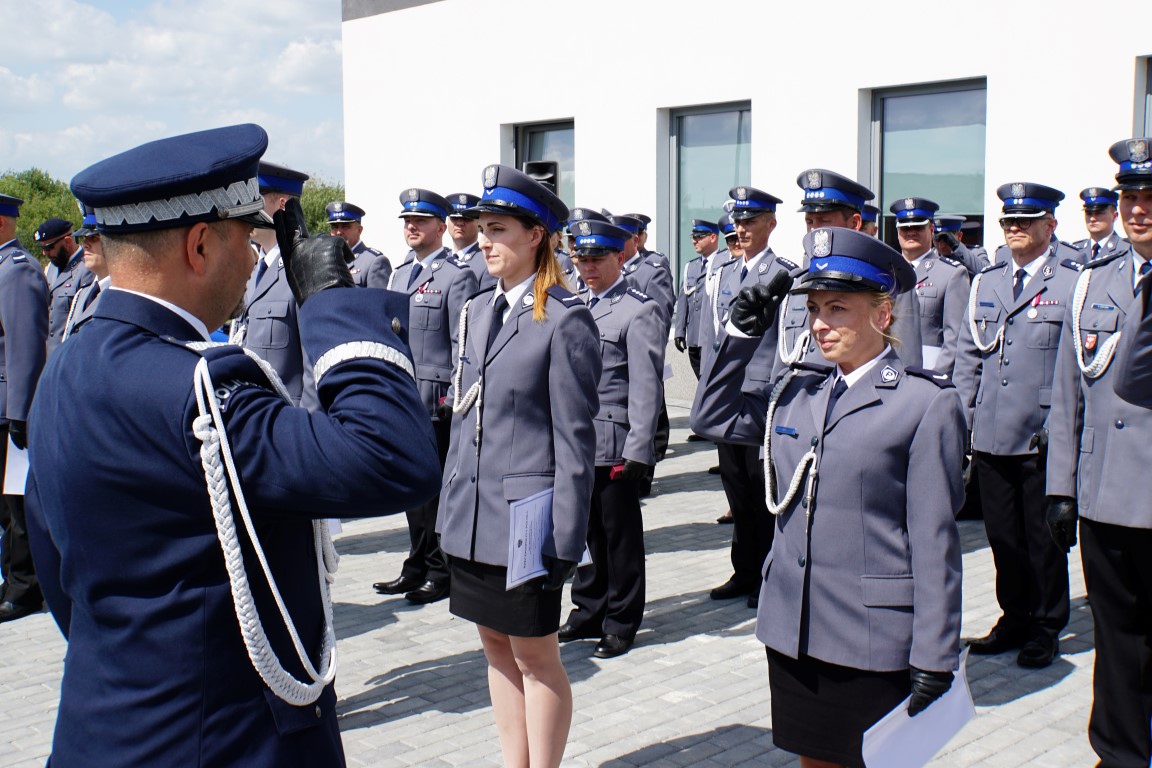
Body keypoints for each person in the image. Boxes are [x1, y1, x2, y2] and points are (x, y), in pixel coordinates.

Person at [23, 123, 442, 766]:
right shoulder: (203, 386)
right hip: (223, 738)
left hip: (106, 725)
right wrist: (331, 304)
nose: (254, 260)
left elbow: (56, 567)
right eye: (247, 238)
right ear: (198, 244)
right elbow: (393, 459)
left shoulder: (68, 365)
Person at [692, 226, 964, 768]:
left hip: (871, 635)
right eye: (814, 307)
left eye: (837, 308)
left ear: (882, 315)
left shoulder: (923, 404)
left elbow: (935, 541)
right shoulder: (796, 392)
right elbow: (711, 417)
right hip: (794, 629)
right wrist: (740, 335)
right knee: (813, 761)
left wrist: (936, 650)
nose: (819, 323)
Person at [437, 164, 599, 768]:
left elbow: (574, 442)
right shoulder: (478, 312)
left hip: (526, 525)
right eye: (481, 228)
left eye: (498, 229)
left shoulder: (562, 319)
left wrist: (565, 536)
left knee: (536, 657)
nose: (484, 241)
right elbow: (465, 422)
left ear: (536, 236)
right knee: (494, 649)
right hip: (474, 519)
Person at [1046, 137, 1152, 768]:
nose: (1137, 210)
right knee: (1116, 641)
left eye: (1149, 199)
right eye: (1130, 198)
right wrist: (1062, 488)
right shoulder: (1094, 284)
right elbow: (1067, 398)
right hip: (1107, 499)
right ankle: (1118, 753)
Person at [951, 182, 1081, 670]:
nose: (1015, 230)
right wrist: (961, 423)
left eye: (1026, 222)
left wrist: (1064, 429)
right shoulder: (987, 281)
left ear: (1050, 225)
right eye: (1008, 223)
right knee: (1003, 538)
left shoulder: (1071, 281)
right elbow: (969, 357)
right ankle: (1013, 617)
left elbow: (1078, 368)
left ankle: (1046, 626)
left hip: (1040, 436)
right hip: (991, 432)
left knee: (1042, 540)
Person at [559, 219, 664, 659]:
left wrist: (641, 448)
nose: (587, 267)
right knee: (584, 534)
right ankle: (587, 609)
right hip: (574, 442)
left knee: (618, 537)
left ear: (620, 257)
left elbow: (646, 386)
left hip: (613, 442)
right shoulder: (571, 302)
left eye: (597, 258)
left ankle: (621, 620)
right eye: (581, 258)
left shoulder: (638, 309)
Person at [691, 185, 797, 608]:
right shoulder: (722, 273)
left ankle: (766, 573)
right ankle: (744, 569)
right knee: (735, 487)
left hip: (759, 398)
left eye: (751, 221)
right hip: (726, 398)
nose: (743, 229)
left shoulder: (783, 273)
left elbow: (784, 340)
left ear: (771, 223)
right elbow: (712, 338)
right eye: (738, 222)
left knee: (759, 491)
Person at [371, 188, 478, 605]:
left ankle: (441, 570)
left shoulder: (456, 275)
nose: (411, 227)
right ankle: (416, 563)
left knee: (436, 490)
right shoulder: (399, 275)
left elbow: (461, 343)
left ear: (441, 226)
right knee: (411, 488)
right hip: (401, 396)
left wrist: (455, 395)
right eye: (406, 221)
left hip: (436, 399)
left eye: (420, 220)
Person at [777, 168, 925, 371]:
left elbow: (906, 362)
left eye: (824, 220)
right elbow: (783, 358)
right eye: (809, 221)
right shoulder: (798, 279)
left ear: (855, 222)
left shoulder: (885, 277)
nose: (815, 230)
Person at [230, 161, 317, 409]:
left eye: (253, 200)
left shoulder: (303, 268)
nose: (243, 210)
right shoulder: (255, 269)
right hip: (255, 413)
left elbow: (314, 366)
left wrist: (307, 429)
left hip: (288, 420)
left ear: (281, 206)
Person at [0, 192, 49, 625]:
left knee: (18, 505)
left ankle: (25, 587)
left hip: (9, 405)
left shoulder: (15, 272)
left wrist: (20, 410)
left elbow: (25, 346)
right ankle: (13, 578)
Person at [889, 197, 970, 376]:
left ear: (931, 229)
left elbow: (955, 338)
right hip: (887, 373)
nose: (911, 232)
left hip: (927, 373)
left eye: (917, 227)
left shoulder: (951, 274)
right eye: (905, 228)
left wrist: (934, 377)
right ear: (897, 232)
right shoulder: (885, 273)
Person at [35, 218, 94, 356]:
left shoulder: (86, 269)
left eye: (49, 247)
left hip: (71, 355)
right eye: (42, 248)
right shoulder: (51, 268)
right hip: (49, 357)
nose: (45, 253)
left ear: (67, 242)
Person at [673, 219, 719, 378]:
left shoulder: (724, 262)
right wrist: (679, 331)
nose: (694, 240)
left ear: (713, 237)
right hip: (694, 337)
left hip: (712, 337)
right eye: (693, 236)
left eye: (699, 236)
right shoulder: (690, 267)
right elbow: (683, 300)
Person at [61, 205, 108, 340]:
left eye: (94, 238)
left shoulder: (122, 292)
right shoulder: (82, 293)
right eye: (84, 239)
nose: (85, 245)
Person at [325, 201, 388, 287]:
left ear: (359, 230)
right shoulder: (327, 260)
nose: (339, 232)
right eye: (334, 227)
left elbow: (379, 299)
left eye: (345, 226)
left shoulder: (374, 261)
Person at [447, 192, 495, 289]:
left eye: (466, 219)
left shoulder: (488, 260)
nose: (460, 223)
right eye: (454, 218)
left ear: (478, 224)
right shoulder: (440, 259)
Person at [1071, 187, 1126, 261]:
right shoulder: (1074, 251)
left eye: (1099, 213)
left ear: (1114, 216)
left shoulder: (1126, 249)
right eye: (1088, 213)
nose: (1092, 219)